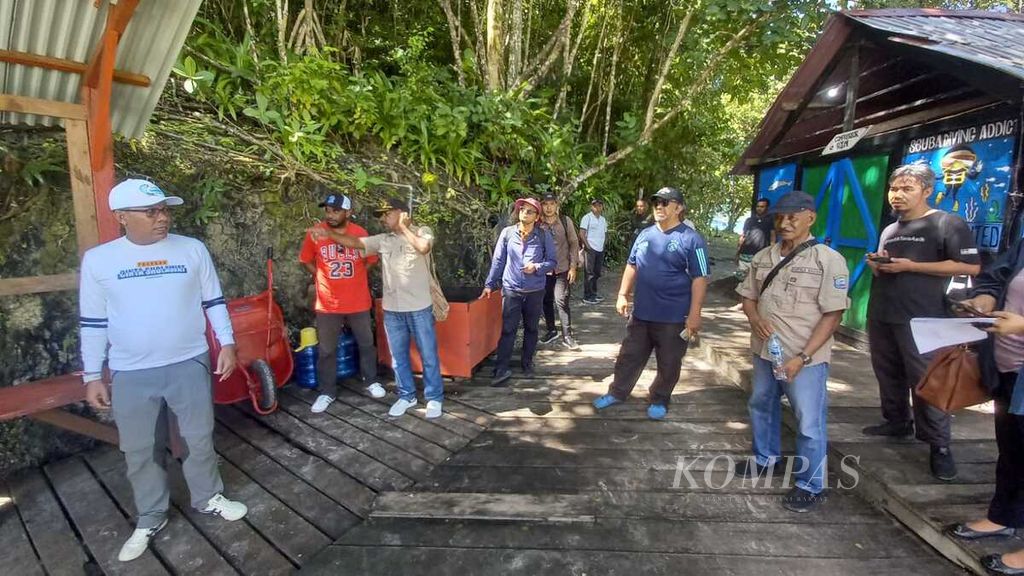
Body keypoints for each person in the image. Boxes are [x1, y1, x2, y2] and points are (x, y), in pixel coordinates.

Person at [79, 179, 247, 563]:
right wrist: (92, 375)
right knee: (139, 449)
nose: (162, 218)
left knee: (199, 436)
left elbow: (214, 300)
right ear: (121, 217)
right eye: (151, 212)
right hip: (130, 371)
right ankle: (151, 515)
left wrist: (227, 343)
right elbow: (92, 322)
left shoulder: (192, 249)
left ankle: (208, 496)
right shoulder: (100, 261)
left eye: (165, 210)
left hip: (189, 360)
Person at [863, 163, 981, 481]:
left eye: (907, 189)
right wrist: (878, 264)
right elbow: (888, 264)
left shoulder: (947, 223)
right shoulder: (890, 229)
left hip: (924, 318)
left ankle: (939, 447)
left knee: (927, 381)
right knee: (887, 372)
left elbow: (970, 267)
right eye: (894, 189)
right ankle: (897, 422)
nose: (897, 195)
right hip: (883, 312)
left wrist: (911, 267)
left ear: (927, 191)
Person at [734, 191, 849, 513]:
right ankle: (765, 458)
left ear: (810, 218)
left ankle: (810, 483)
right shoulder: (764, 257)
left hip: (804, 356)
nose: (785, 223)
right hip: (764, 352)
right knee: (761, 403)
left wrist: (805, 357)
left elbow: (833, 315)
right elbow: (748, 296)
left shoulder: (828, 260)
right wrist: (755, 319)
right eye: (780, 217)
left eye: (793, 217)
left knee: (809, 421)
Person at [309, 198, 444, 419]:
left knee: (428, 355)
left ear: (402, 213)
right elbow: (355, 243)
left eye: (386, 214)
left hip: (419, 307)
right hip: (392, 310)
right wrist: (329, 235)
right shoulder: (384, 240)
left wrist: (402, 227)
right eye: (381, 215)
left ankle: (434, 398)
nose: (382, 219)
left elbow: (423, 247)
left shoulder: (422, 231)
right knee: (398, 357)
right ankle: (406, 395)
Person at [592, 187, 709, 420]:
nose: (659, 206)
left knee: (669, 362)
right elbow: (632, 264)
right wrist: (622, 294)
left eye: (666, 202)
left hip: (674, 317)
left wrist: (695, 313)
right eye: (656, 202)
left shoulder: (691, 239)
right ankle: (617, 392)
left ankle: (660, 398)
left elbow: (701, 277)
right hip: (642, 313)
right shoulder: (645, 235)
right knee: (629, 356)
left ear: (679, 207)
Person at [944, 239, 1024, 575]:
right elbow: (997, 275)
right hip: (1009, 369)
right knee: (1013, 448)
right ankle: (1004, 517)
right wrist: (984, 298)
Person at [299, 186, 384, 413]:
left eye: (336, 211)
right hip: (328, 303)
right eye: (328, 210)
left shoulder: (360, 232)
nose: (330, 215)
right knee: (326, 350)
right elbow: (306, 259)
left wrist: (357, 275)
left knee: (366, 343)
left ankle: (371, 380)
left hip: (357, 300)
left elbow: (371, 259)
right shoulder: (315, 232)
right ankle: (327, 392)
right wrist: (318, 275)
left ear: (348, 212)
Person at [483, 197, 558, 386]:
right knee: (508, 329)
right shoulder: (508, 233)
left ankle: (527, 364)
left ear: (537, 216)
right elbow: (499, 260)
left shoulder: (543, 235)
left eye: (530, 211)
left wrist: (537, 267)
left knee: (531, 328)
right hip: (512, 290)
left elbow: (552, 262)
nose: (525, 212)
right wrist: (489, 284)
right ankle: (501, 368)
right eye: (522, 209)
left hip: (535, 290)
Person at [538, 192, 581, 351]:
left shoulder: (565, 221)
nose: (548, 207)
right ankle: (551, 330)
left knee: (561, 300)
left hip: (562, 268)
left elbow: (574, 243)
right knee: (546, 300)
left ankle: (567, 335)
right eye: (545, 204)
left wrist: (573, 266)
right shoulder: (538, 223)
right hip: (544, 270)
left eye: (552, 204)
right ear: (541, 206)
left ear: (557, 205)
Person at [736, 198, 775, 279]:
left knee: (754, 280)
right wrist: (738, 251)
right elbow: (743, 236)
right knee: (740, 278)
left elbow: (772, 238)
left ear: (767, 208)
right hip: (745, 254)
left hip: (760, 255)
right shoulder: (749, 220)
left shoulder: (770, 221)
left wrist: (771, 254)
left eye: (762, 206)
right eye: (758, 206)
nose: (759, 208)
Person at [579, 198, 608, 305]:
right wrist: (588, 246)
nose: (597, 207)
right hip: (590, 249)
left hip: (600, 249)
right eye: (595, 205)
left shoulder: (603, 220)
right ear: (592, 207)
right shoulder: (587, 218)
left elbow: (605, 233)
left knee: (597, 272)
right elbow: (582, 233)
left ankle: (594, 293)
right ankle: (587, 295)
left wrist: (604, 245)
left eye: (600, 205)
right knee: (589, 273)